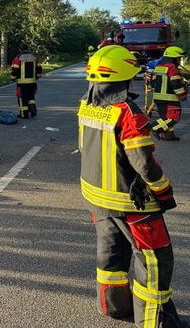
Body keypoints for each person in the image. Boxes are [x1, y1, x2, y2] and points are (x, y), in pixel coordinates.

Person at [79, 45, 187, 327]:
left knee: (110, 255)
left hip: (98, 200)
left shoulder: (86, 104)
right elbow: (143, 163)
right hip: (133, 204)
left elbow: (85, 147)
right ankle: (154, 322)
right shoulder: (127, 113)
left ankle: (114, 306)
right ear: (126, 76)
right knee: (155, 261)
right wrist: (163, 191)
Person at [149, 46, 188, 141]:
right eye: (179, 58)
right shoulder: (172, 68)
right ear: (174, 58)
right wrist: (183, 94)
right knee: (173, 117)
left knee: (164, 117)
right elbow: (175, 84)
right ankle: (154, 128)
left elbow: (153, 82)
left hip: (158, 98)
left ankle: (168, 136)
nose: (180, 60)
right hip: (170, 98)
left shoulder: (158, 67)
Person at [10, 42, 43, 119]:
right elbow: (39, 68)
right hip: (32, 82)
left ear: (20, 49)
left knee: (22, 98)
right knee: (31, 96)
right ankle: (33, 109)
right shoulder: (34, 57)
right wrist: (37, 76)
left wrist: (12, 78)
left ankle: (23, 114)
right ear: (27, 48)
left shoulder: (18, 58)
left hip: (22, 83)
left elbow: (15, 70)